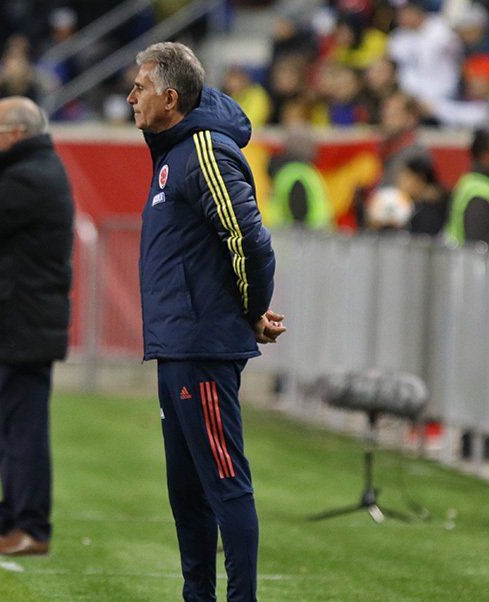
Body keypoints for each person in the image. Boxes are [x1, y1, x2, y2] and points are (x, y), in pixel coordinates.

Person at [127, 42, 285, 601]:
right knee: (187, 492)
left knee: (224, 485)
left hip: (201, 347)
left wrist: (251, 311)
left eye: (140, 88)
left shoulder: (204, 151)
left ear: (171, 98)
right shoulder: (174, 151)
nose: (131, 97)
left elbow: (249, 241)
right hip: (179, 345)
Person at [0, 96, 74, 556]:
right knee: (10, 427)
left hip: (23, 319)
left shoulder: (30, 177)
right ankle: (7, 520)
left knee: (23, 430)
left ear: (16, 133)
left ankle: (32, 526)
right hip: (16, 318)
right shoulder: (26, 173)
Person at [266, 131, 333, 229]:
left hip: (282, 234)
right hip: (308, 236)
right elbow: (299, 220)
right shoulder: (299, 175)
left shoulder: (286, 173)